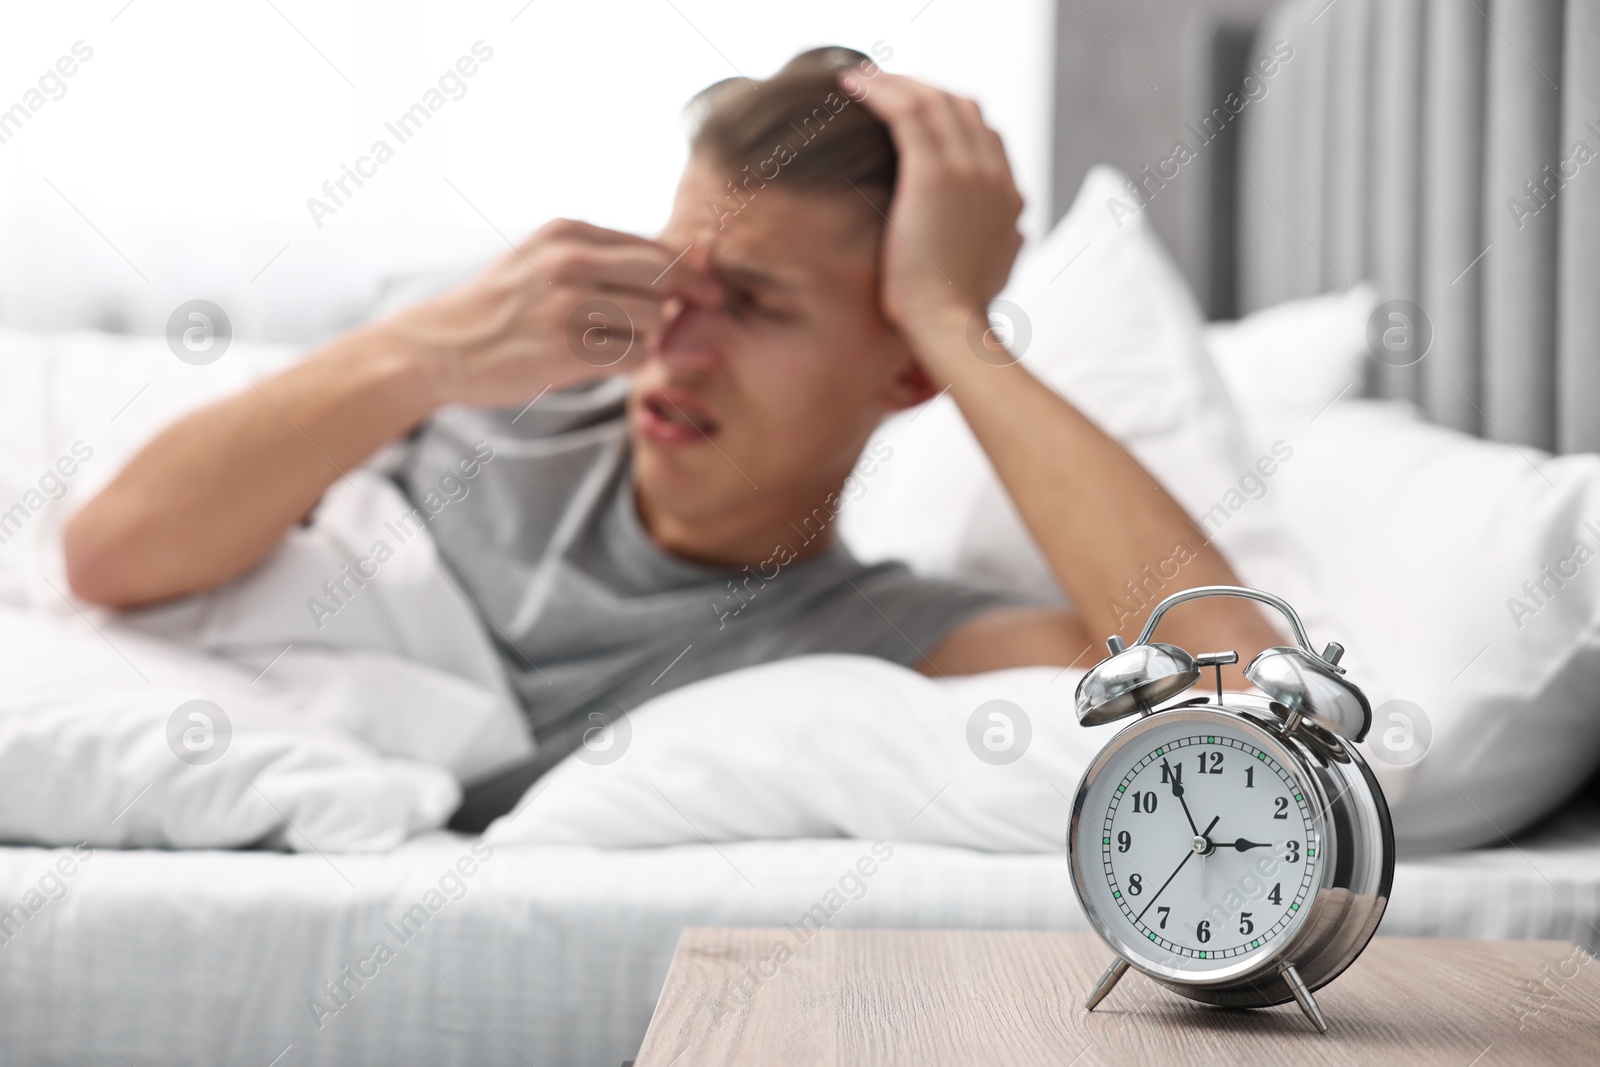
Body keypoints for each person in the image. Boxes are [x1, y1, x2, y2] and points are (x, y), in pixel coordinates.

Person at [63, 48, 1283, 826]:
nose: (672, 340)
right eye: (672, 273)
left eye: (752, 304)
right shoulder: (489, 399)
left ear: (904, 369)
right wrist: (428, 349)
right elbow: (110, 557)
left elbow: (1238, 688)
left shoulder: (865, 636)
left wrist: (956, 322)